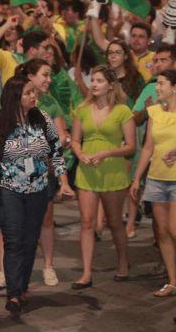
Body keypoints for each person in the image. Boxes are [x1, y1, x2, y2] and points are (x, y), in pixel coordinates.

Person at [0, 76, 73, 315]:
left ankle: (22, 286)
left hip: (38, 189)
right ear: (15, 97)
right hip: (8, 188)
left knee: (28, 240)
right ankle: (13, 293)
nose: (33, 96)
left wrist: (63, 181)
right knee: (13, 240)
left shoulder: (43, 119)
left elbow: (56, 153)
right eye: (28, 93)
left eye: (34, 92)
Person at [70, 66, 135, 289]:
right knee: (87, 223)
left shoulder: (122, 111)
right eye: (92, 80)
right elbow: (75, 140)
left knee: (115, 222)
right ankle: (86, 273)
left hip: (112, 171)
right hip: (86, 171)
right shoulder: (82, 109)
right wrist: (79, 154)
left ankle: (123, 262)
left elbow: (131, 146)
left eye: (99, 80)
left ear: (110, 84)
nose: (94, 84)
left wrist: (106, 152)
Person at [131, 69, 176, 297]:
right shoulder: (154, 112)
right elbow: (148, 146)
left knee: (175, 229)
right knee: (162, 233)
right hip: (157, 179)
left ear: (175, 87)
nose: (157, 88)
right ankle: (172, 281)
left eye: (161, 83)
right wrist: (137, 178)